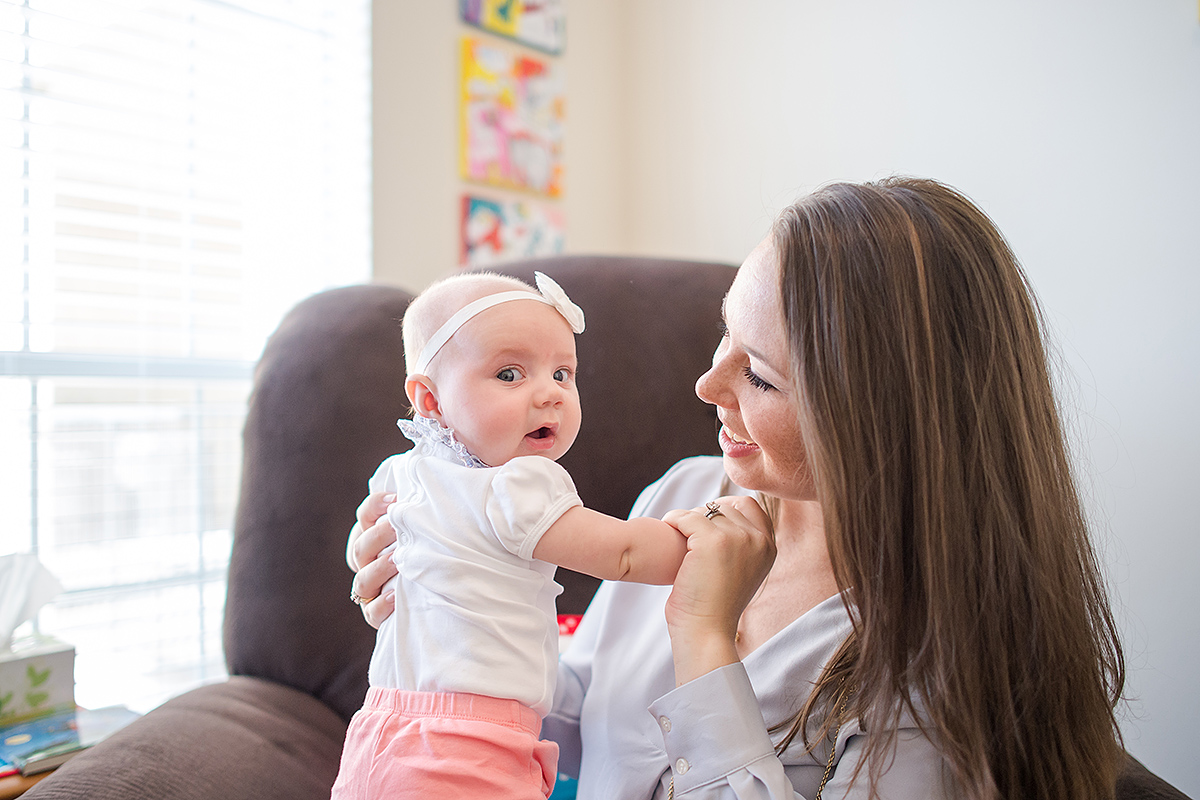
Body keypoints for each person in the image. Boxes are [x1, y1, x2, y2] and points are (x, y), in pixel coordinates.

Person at [348, 178, 1127, 800]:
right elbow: (585, 708)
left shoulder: (934, 674)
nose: (706, 382)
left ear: (878, 417)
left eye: (758, 373)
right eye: (725, 334)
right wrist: (453, 592)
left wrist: (704, 640)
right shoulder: (687, 492)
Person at [330, 271, 693, 800]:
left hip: (376, 734)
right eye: (509, 374)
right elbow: (627, 554)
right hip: (471, 749)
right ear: (429, 400)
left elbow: (367, 549)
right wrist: (708, 538)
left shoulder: (397, 474)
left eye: (563, 374)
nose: (549, 394)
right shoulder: (520, 483)